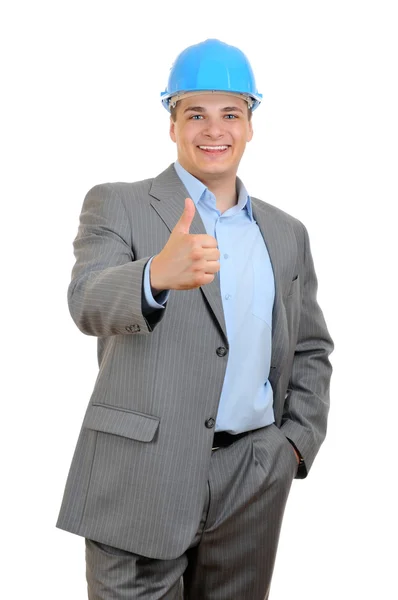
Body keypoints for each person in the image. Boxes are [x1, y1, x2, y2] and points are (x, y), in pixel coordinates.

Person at [56, 38, 334, 599]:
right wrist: (154, 273)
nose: (214, 130)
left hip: (252, 477)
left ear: (250, 124)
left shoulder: (285, 232)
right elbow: (86, 299)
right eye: (196, 115)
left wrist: (294, 444)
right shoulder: (119, 204)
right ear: (172, 123)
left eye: (230, 113)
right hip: (140, 479)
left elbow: (310, 348)